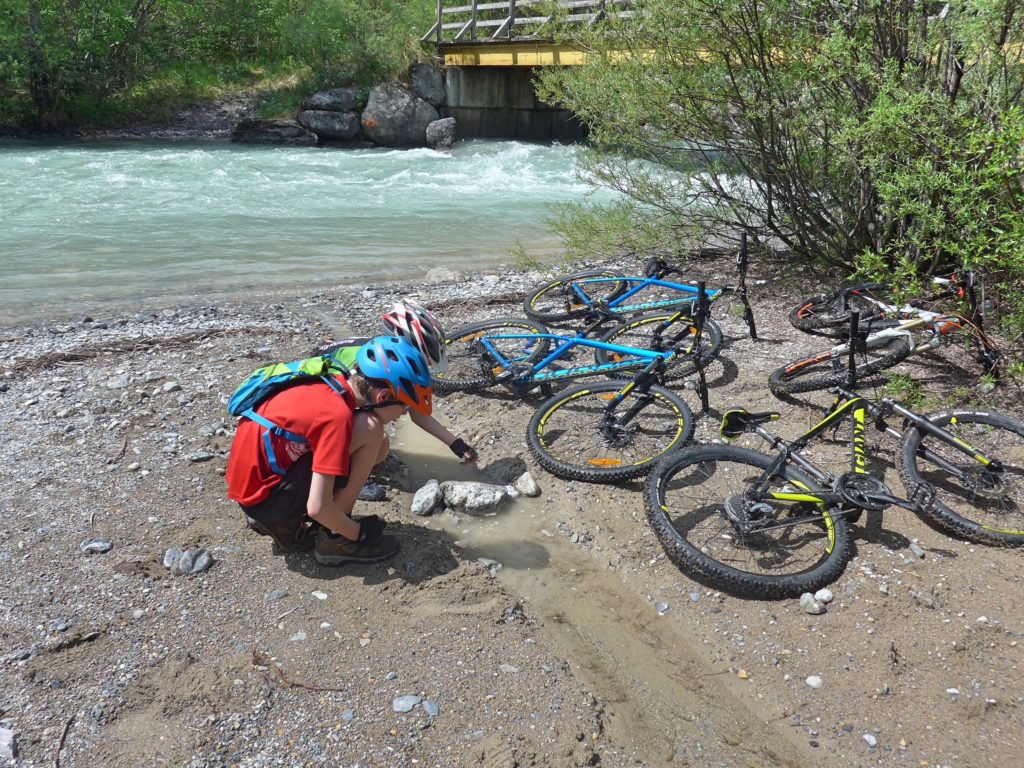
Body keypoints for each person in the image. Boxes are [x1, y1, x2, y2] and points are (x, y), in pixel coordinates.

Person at [225, 336, 433, 565]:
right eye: (404, 405)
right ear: (382, 397)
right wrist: (358, 532)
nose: (404, 413)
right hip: (266, 500)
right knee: (371, 428)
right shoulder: (336, 415)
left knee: (379, 444)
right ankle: (335, 541)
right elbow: (317, 508)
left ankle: (286, 522)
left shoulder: (331, 380)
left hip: (253, 485)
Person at [314, 299, 478, 469]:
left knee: (378, 431)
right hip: (323, 406)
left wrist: (458, 446)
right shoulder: (362, 363)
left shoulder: (385, 354)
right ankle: (340, 475)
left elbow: (419, 413)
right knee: (378, 438)